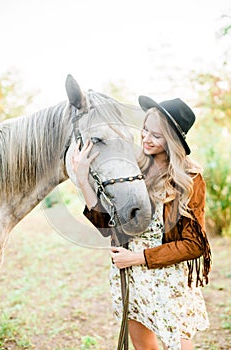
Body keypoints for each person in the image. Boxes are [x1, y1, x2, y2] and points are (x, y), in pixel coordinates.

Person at [72, 96, 212, 350]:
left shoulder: (190, 179)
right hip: (131, 276)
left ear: (172, 140)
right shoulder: (130, 168)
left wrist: (136, 258)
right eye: (145, 129)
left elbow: (194, 245)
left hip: (169, 280)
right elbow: (107, 225)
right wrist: (83, 179)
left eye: (156, 135)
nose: (146, 138)